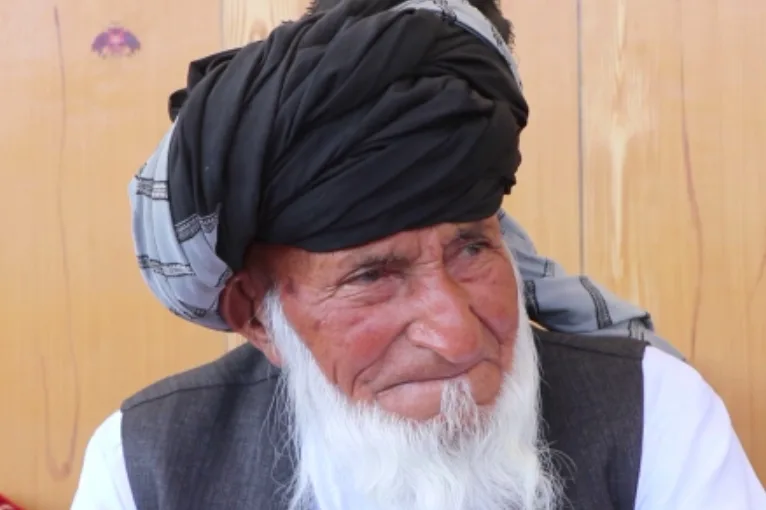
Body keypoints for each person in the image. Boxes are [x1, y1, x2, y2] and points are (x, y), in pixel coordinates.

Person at [72, 0, 764, 508]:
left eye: (472, 248)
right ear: (256, 315)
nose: (457, 334)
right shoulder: (146, 464)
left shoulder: (654, 412)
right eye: (373, 275)